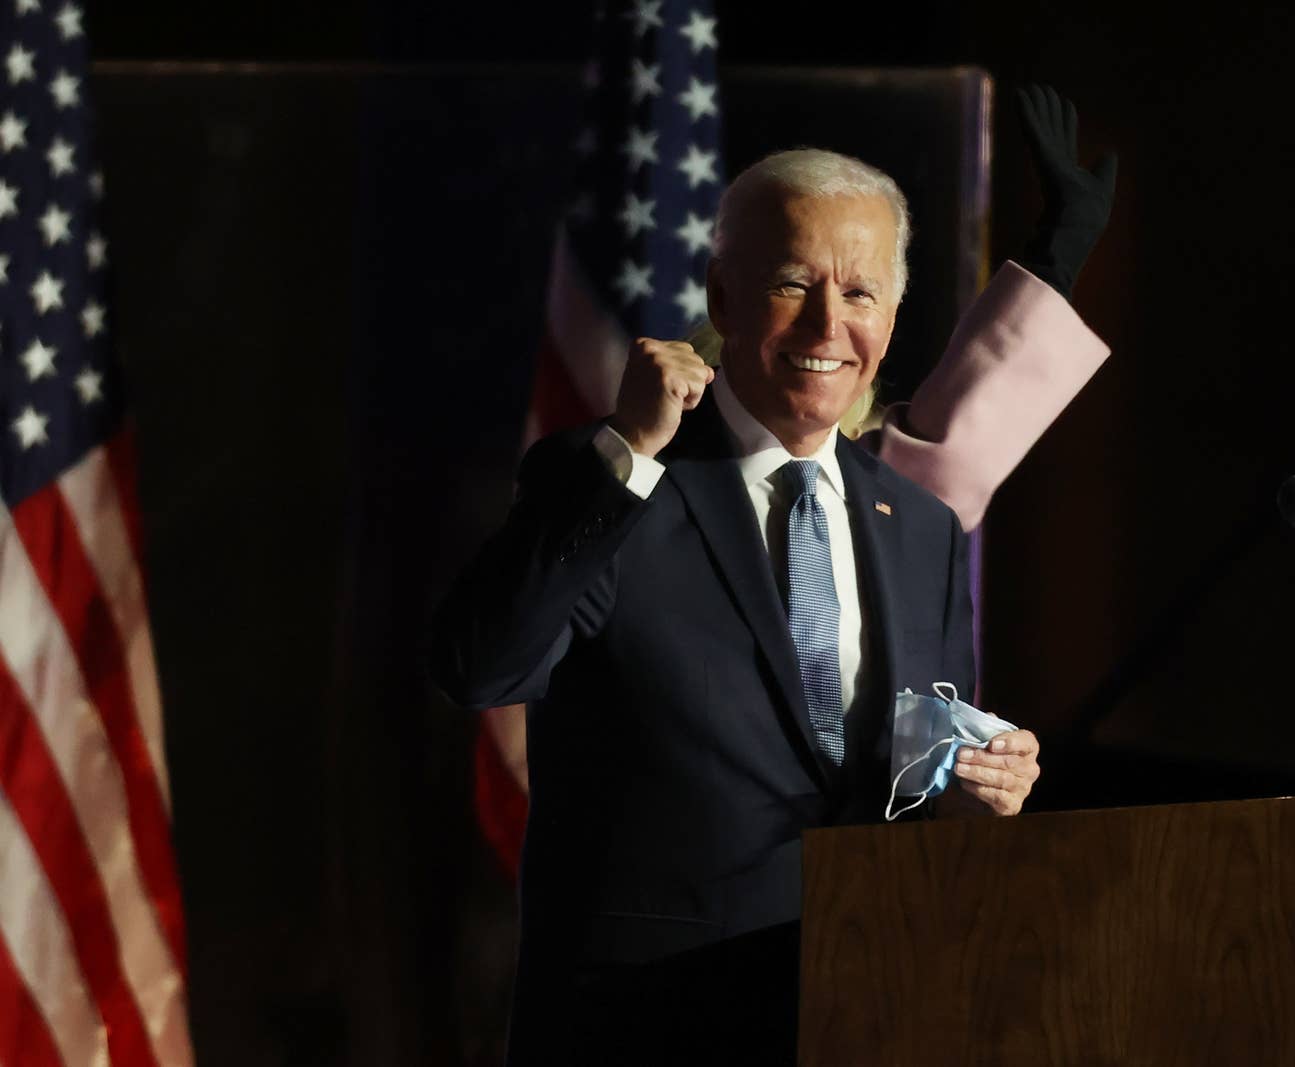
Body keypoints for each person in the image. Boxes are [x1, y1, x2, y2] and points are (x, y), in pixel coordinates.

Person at [433, 87, 1113, 1064]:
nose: (828, 322)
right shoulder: (615, 480)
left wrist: (969, 782)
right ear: (719, 298)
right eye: (794, 283)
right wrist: (627, 451)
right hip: (641, 1030)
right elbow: (479, 668)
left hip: (861, 1006)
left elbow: (898, 768)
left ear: (893, 312)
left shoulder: (917, 524)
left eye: (861, 292)